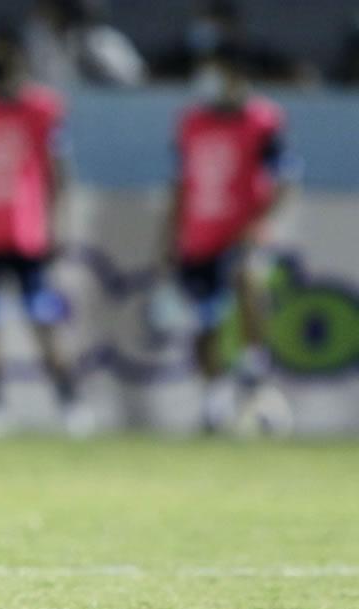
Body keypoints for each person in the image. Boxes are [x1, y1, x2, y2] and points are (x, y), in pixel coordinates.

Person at [0, 35, 87, 436]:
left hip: (27, 231)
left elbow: (58, 170)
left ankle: (70, 401)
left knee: (43, 318)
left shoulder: (43, 109)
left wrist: (59, 221)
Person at [165, 44, 297, 431]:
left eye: (218, 74)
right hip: (199, 234)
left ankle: (255, 370)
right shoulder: (191, 122)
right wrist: (170, 236)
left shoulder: (263, 120)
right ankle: (216, 398)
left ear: (237, 78)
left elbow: (286, 179)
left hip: (241, 233)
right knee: (203, 321)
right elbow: (180, 183)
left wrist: (258, 224)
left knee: (247, 281)